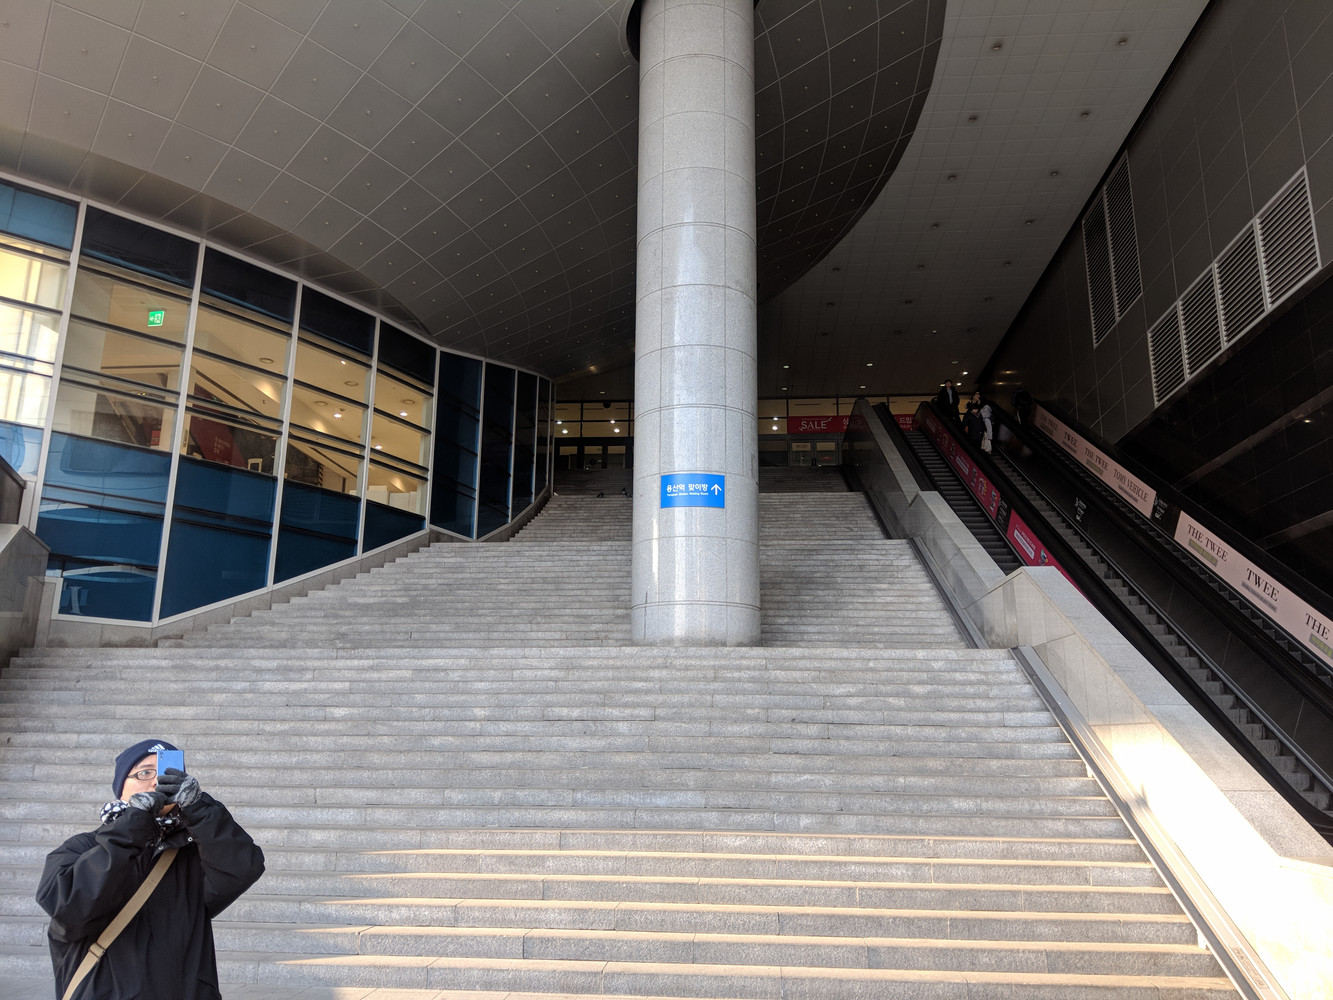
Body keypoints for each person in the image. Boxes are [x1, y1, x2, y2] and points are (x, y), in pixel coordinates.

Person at [36, 739, 265, 1000]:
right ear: (121, 788)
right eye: (144, 773)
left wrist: (200, 808)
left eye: (167, 772)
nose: (156, 782)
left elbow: (243, 868)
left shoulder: (194, 850)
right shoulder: (82, 848)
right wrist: (134, 824)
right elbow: (69, 907)